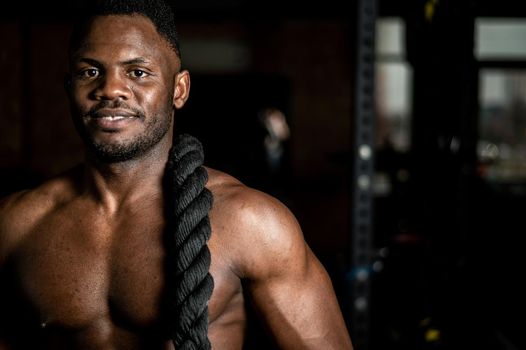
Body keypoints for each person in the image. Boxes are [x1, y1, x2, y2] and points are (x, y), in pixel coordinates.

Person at [0, 0, 354, 349]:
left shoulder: (249, 223)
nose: (110, 89)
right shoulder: (17, 224)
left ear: (179, 90)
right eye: (90, 72)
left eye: (137, 72)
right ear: (69, 89)